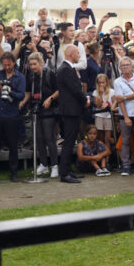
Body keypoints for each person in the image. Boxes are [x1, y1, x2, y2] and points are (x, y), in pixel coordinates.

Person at [0, 52, 26, 181]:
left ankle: (13, 172)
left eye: (9, 64)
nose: (6, 67)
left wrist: (9, 91)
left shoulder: (20, 77)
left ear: (13, 63)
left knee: (12, 144)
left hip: (11, 114)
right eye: (4, 64)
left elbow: (21, 95)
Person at [55, 43, 87, 183]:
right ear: (70, 54)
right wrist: (85, 99)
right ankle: (64, 174)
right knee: (68, 142)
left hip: (72, 110)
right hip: (70, 111)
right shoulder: (65, 69)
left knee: (70, 141)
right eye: (77, 53)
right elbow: (75, 89)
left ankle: (67, 170)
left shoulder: (67, 68)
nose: (79, 55)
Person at [23, 52, 58, 177]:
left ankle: (54, 165)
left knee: (50, 139)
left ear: (41, 63)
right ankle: (43, 164)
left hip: (49, 111)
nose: (32, 67)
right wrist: (22, 103)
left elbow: (58, 90)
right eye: (30, 64)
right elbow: (28, 92)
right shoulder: (31, 76)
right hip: (35, 110)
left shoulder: (50, 74)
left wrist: (50, 99)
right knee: (38, 139)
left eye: (34, 64)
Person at [114, 57, 134, 176]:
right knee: (125, 141)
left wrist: (126, 97)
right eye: (123, 66)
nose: (125, 67)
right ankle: (126, 166)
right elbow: (119, 100)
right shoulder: (117, 81)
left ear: (132, 66)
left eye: (127, 65)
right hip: (125, 115)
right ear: (120, 68)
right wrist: (126, 117)